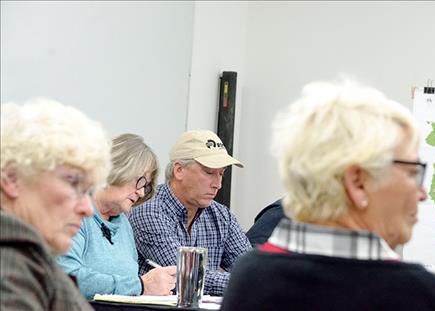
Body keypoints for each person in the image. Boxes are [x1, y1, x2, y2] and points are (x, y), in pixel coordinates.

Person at [221, 81, 435, 310]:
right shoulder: (430, 299)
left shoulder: (250, 277)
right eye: (412, 172)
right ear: (358, 182)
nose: (423, 193)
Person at [0, 98, 111, 310]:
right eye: (73, 183)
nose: (87, 209)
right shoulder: (10, 259)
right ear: (12, 178)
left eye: (89, 191)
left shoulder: (31, 256)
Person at [128, 130, 252, 296]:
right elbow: (187, 277)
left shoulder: (222, 216)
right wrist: (250, 282)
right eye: (209, 173)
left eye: (221, 174)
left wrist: (258, 280)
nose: (218, 184)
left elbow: (250, 268)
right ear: (179, 170)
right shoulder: (149, 212)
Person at [57, 134, 176, 300]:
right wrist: (140, 286)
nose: (141, 192)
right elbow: (66, 278)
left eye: (146, 186)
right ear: (115, 170)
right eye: (140, 181)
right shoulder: (74, 213)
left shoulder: (124, 224)